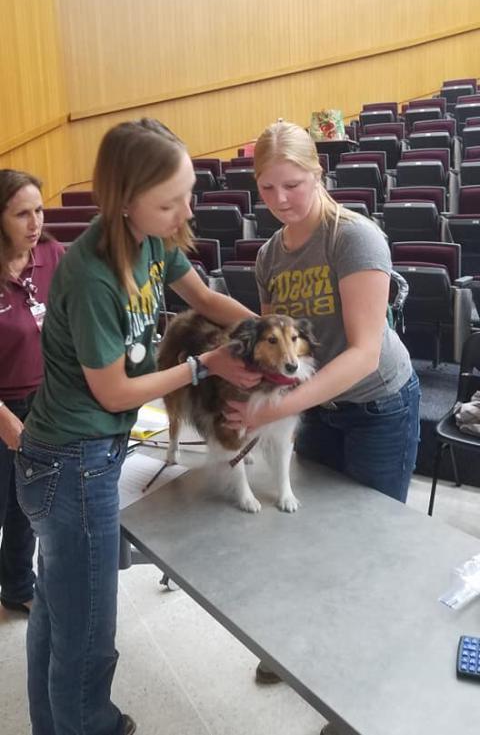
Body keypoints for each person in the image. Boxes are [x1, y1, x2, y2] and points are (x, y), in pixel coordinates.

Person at [16, 119, 260, 735]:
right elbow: (116, 390)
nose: (184, 212)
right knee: (89, 632)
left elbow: (203, 299)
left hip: (79, 454)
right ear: (125, 200)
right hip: (71, 463)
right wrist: (202, 365)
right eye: (168, 201)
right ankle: (87, 724)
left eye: (188, 193)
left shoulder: (152, 238)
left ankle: (57, 723)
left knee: (59, 609)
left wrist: (264, 331)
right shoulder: (93, 273)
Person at [224, 121, 420, 730]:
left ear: (319, 174)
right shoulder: (267, 254)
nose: (282, 200)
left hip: (377, 404)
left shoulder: (354, 238)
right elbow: (275, 345)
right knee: (311, 542)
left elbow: (362, 352)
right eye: (268, 189)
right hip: (317, 407)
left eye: (294, 183)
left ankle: (359, 692)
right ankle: (304, 648)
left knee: (368, 553)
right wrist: (251, 389)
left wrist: (278, 408)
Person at [0, 169, 64, 617]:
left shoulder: (53, 255)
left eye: (39, 210)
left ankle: (18, 585)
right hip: (3, 406)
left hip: (45, 404)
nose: (34, 222)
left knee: (28, 507)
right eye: (22, 213)